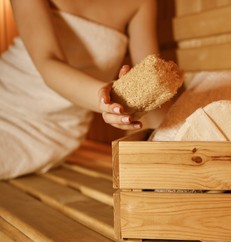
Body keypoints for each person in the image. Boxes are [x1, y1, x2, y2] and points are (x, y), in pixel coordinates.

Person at [0, 0, 159, 179]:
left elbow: (152, 78)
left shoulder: (141, 3)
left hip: (55, 131)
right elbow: (48, 61)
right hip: (6, 100)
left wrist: (169, 139)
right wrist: (108, 99)